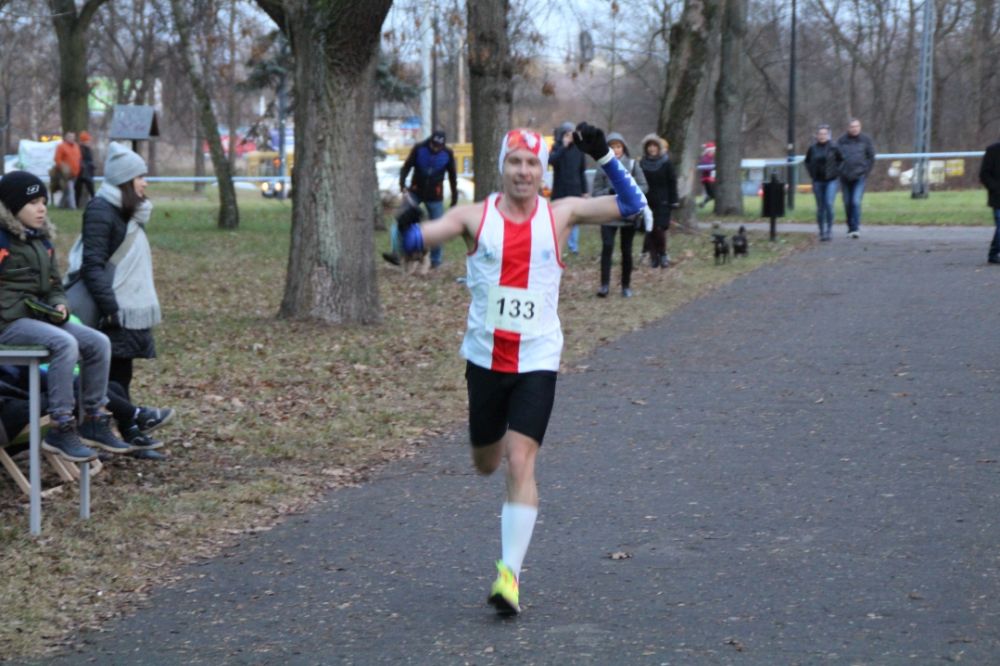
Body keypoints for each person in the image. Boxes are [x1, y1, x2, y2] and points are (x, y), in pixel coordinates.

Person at [397, 123, 647, 615]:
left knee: (520, 458)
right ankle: (504, 539)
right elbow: (416, 238)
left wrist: (603, 156)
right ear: (502, 167)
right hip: (485, 360)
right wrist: (405, 230)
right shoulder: (474, 216)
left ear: (543, 171)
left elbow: (633, 206)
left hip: (537, 359)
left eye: (533, 163)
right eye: (515, 161)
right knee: (486, 461)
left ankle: (508, 575)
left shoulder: (563, 214)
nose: (524, 171)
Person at [0, 170, 131, 462]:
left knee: (98, 342)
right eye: (33, 203)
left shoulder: (41, 241)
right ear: (11, 207)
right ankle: (61, 425)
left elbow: (55, 286)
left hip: (38, 318)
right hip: (7, 324)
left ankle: (93, 418)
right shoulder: (3, 241)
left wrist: (59, 305)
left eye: (44, 202)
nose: (41, 209)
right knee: (64, 344)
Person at [69, 143, 174, 450]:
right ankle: (126, 429)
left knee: (121, 373)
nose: (145, 183)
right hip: (112, 307)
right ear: (125, 180)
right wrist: (111, 307)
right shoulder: (101, 210)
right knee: (110, 374)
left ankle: (129, 432)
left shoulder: (127, 210)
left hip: (127, 305)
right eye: (140, 177)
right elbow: (92, 264)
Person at [592, 132, 648, 298]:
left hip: (628, 216)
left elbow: (644, 186)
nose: (615, 150)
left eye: (618, 146)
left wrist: (629, 190)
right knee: (607, 248)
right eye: (612, 147)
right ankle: (604, 286)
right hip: (607, 215)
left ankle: (626, 285)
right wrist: (608, 191)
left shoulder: (632, 165)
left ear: (624, 148)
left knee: (627, 250)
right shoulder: (601, 166)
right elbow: (595, 192)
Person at [398, 130, 458, 269]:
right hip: (415, 191)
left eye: (439, 147)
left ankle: (436, 260)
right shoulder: (419, 149)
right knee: (401, 219)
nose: (436, 149)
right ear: (430, 141)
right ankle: (401, 253)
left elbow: (452, 177)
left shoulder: (447, 153)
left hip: (435, 195)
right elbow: (406, 167)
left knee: (438, 227)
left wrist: (454, 198)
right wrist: (402, 185)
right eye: (434, 145)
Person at [548, 121, 588, 255]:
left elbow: (582, 172)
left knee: (574, 219)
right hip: (560, 189)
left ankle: (573, 247)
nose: (570, 137)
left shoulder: (579, 149)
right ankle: (557, 246)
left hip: (575, 189)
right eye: (567, 134)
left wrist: (585, 191)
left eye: (572, 134)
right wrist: (563, 147)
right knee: (558, 218)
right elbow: (551, 161)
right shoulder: (556, 147)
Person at [639, 134, 678, 268]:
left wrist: (674, 200)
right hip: (647, 201)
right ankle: (653, 257)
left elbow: (672, 182)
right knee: (650, 230)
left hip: (663, 201)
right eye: (649, 146)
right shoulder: (642, 163)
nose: (652, 148)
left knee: (660, 229)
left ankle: (663, 254)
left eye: (654, 145)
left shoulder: (666, 163)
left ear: (659, 147)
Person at [836, 118, 876, 238]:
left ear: (860, 127)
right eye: (852, 127)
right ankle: (850, 226)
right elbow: (835, 157)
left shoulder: (866, 140)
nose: (854, 129)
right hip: (845, 176)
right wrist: (840, 170)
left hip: (860, 176)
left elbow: (871, 157)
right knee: (847, 203)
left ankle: (855, 227)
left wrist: (866, 171)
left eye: (856, 126)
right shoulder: (841, 141)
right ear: (848, 128)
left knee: (856, 201)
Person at [804, 124, 844, 242]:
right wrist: (812, 173)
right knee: (820, 207)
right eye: (820, 134)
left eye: (825, 134)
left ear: (828, 135)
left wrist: (837, 172)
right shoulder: (812, 148)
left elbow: (841, 160)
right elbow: (807, 162)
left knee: (829, 204)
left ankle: (829, 230)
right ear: (817, 136)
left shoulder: (834, 147)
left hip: (831, 180)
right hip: (817, 181)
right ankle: (821, 231)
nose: (822, 136)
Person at [979, 137, 1000, 265]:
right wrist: (996, 189)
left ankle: (994, 252)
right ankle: (994, 253)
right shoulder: (992, 151)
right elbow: (984, 174)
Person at [54, 131, 82, 209]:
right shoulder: (61, 146)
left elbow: (79, 158)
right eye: (70, 137)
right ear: (66, 138)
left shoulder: (76, 146)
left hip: (75, 173)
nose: (71, 138)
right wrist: (63, 169)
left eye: (73, 137)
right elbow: (57, 159)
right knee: (71, 189)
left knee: (67, 190)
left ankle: (60, 205)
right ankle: (73, 207)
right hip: (66, 174)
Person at [74, 131, 96, 208]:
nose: (88, 142)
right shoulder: (79, 149)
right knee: (79, 190)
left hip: (86, 172)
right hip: (82, 172)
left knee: (89, 190)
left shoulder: (87, 149)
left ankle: (93, 203)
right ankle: (76, 205)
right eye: (87, 140)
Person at [698, 142, 716, 209]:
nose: (714, 152)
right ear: (709, 151)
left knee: (711, 194)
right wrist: (713, 168)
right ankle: (702, 203)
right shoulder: (706, 158)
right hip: (707, 179)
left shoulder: (711, 158)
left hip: (711, 179)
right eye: (713, 150)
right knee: (712, 194)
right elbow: (704, 168)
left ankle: (703, 203)